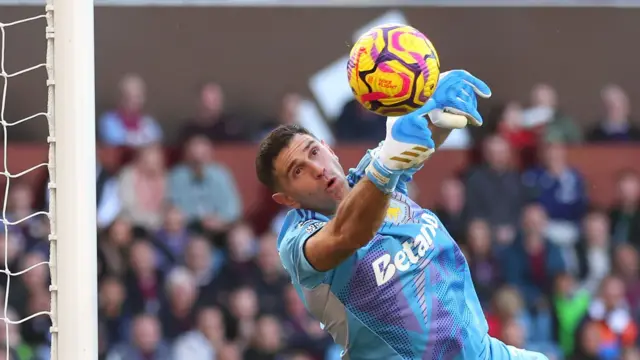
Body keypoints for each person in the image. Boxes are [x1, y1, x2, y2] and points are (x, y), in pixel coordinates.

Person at [255, 70, 548, 360]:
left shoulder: (375, 174)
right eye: (297, 170)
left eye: (314, 152)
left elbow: (412, 142)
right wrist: (387, 165)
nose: (316, 168)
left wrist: (437, 109)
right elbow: (349, 232)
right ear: (287, 199)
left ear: (329, 150)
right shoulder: (298, 242)